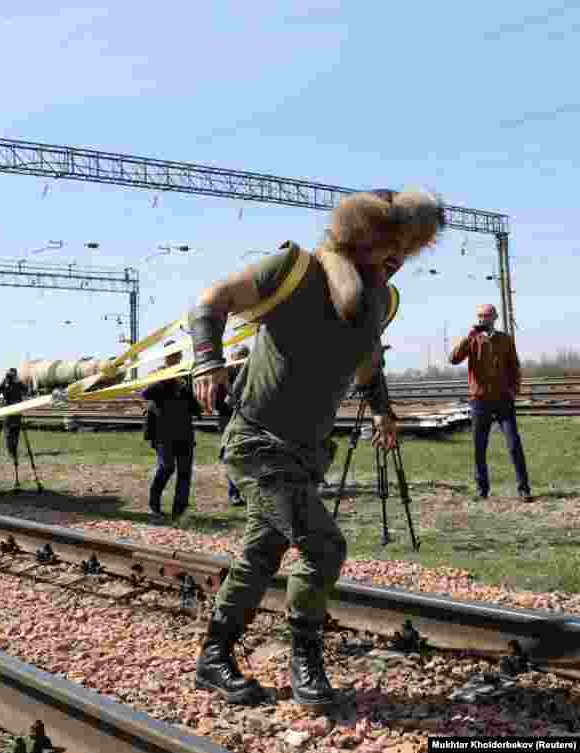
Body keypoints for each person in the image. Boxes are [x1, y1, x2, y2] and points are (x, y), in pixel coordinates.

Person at [187, 188, 445, 708]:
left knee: (260, 554)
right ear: (361, 239)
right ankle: (306, 658)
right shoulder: (293, 270)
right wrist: (206, 361)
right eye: (386, 250)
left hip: (306, 451)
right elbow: (211, 299)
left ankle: (214, 657)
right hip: (258, 441)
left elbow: (368, 360)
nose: (394, 263)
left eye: (403, 256)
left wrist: (381, 410)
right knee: (323, 545)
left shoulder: (379, 301)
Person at [449, 304, 532, 503]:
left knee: (513, 443)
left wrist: (514, 390)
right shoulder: (472, 339)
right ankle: (482, 489)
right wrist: (468, 336)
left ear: (494, 317)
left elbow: (514, 366)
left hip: (504, 399)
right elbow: (453, 359)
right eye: (480, 316)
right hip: (480, 401)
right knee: (479, 445)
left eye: (486, 316)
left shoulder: (504, 339)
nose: (482, 319)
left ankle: (524, 489)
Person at [141, 343, 203, 519]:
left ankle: (179, 510)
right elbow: (145, 394)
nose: (174, 357)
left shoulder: (186, 374)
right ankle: (154, 504)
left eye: (177, 354)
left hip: (184, 431)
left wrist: (198, 407)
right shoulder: (158, 374)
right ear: (165, 357)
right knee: (166, 467)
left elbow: (193, 402)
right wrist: (166, 378)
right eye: (171, 355)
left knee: (185, 472)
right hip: (163, 433)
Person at [215, 347, 250, 506]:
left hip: (247, 418)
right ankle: (234, 493)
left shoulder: (251, 372)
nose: (241, 360)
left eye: (244, 356)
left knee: (248, 456)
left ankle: (248, 493)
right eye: (239, 356)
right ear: (232, 357)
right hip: (228, 419)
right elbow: (219, 401)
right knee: (232, 456)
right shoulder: (225, 375)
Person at [0, 367, 29, 467]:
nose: (11, 377)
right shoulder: (10, 382)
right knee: (11, 433)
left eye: (11, 375)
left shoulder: (17, 383)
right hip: (12, 411)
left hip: (12, 412)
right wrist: (4, 384)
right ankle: (12, 452)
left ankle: (12, 452)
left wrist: (7, 384)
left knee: (12, 432)